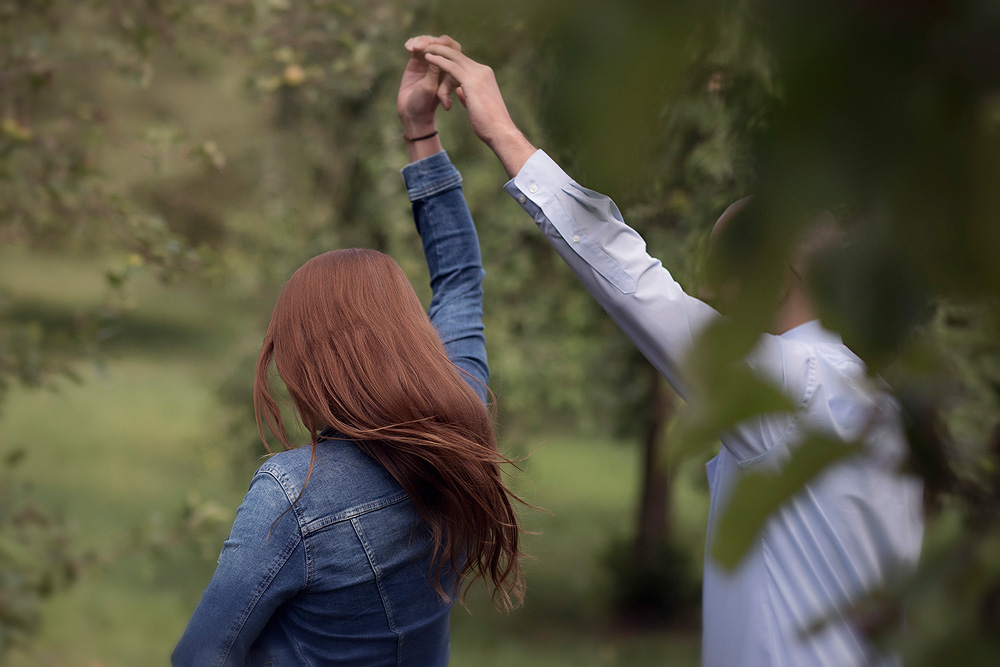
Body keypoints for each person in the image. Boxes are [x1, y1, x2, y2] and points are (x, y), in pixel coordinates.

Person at [418, 39, 923, 666]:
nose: (705, 292)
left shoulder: (792, 389)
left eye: (721, 273)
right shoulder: (883, 404)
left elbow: (635, 282)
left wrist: (506, 138)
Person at [171, 37, 525, 667]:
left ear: (309, 363)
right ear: (406, 332)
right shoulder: (460, 427)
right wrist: (421, 132)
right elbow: (460, 281)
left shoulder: (293, 494)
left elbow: (202, 655)